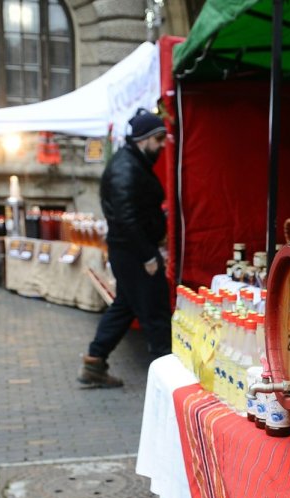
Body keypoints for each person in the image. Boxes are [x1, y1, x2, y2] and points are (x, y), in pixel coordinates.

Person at [78, 108, 171, 388]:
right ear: (143, 140)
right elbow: (126, 217)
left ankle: (95, 362)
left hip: (130, 249)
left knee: (125, 306)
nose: (163, 146)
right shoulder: (126, 167)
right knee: (155, 312)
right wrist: (147, 256)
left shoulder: (131, 163)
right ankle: (164, 380)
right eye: (159, 140)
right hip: (134, 252)